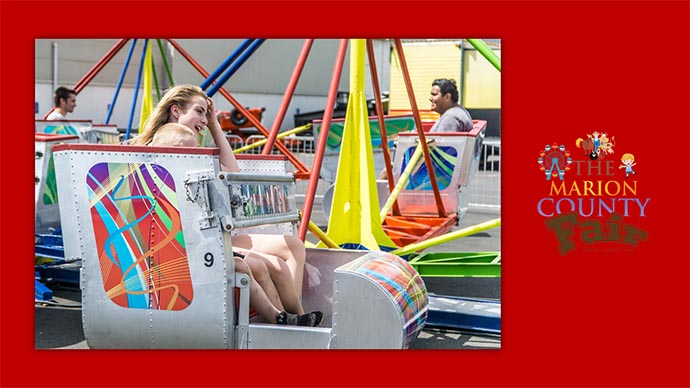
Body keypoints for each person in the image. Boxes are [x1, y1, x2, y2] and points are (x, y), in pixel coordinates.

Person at [136, 85, 321, 326]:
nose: (203, 119)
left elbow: (233, 172)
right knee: (270, 265)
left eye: (207, 114)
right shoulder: (161, 150)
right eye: (199, 112)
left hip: (215, 232)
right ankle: (285, 322)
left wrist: (214, 124)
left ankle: (293, 316)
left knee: (292, 246)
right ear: (175, 110)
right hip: (195, 238)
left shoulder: (190, 147)